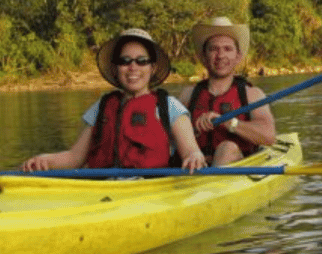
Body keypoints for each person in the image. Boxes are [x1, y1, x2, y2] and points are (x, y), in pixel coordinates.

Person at [21, 29, 206, 173]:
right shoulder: (101, 107)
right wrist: (45, 160)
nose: (133, 67)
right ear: (116, 68)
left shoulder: (169, 106)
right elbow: (74, 157)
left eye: (141, 61)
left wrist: (195, 156)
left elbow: (190, 150)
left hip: (152, 189)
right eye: (124, 61)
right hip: (106, 188)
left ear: (152, 68)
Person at [179, 17, 276, 166]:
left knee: (227, 148)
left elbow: (269, 136)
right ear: (204, 57)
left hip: (237, 166)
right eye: (213, 49)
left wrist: (228, 122)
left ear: (238, 57)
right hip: (196, 168)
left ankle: (212, 184)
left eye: (228, 49)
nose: (220, 55)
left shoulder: (252, 94)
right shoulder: (188, 95)